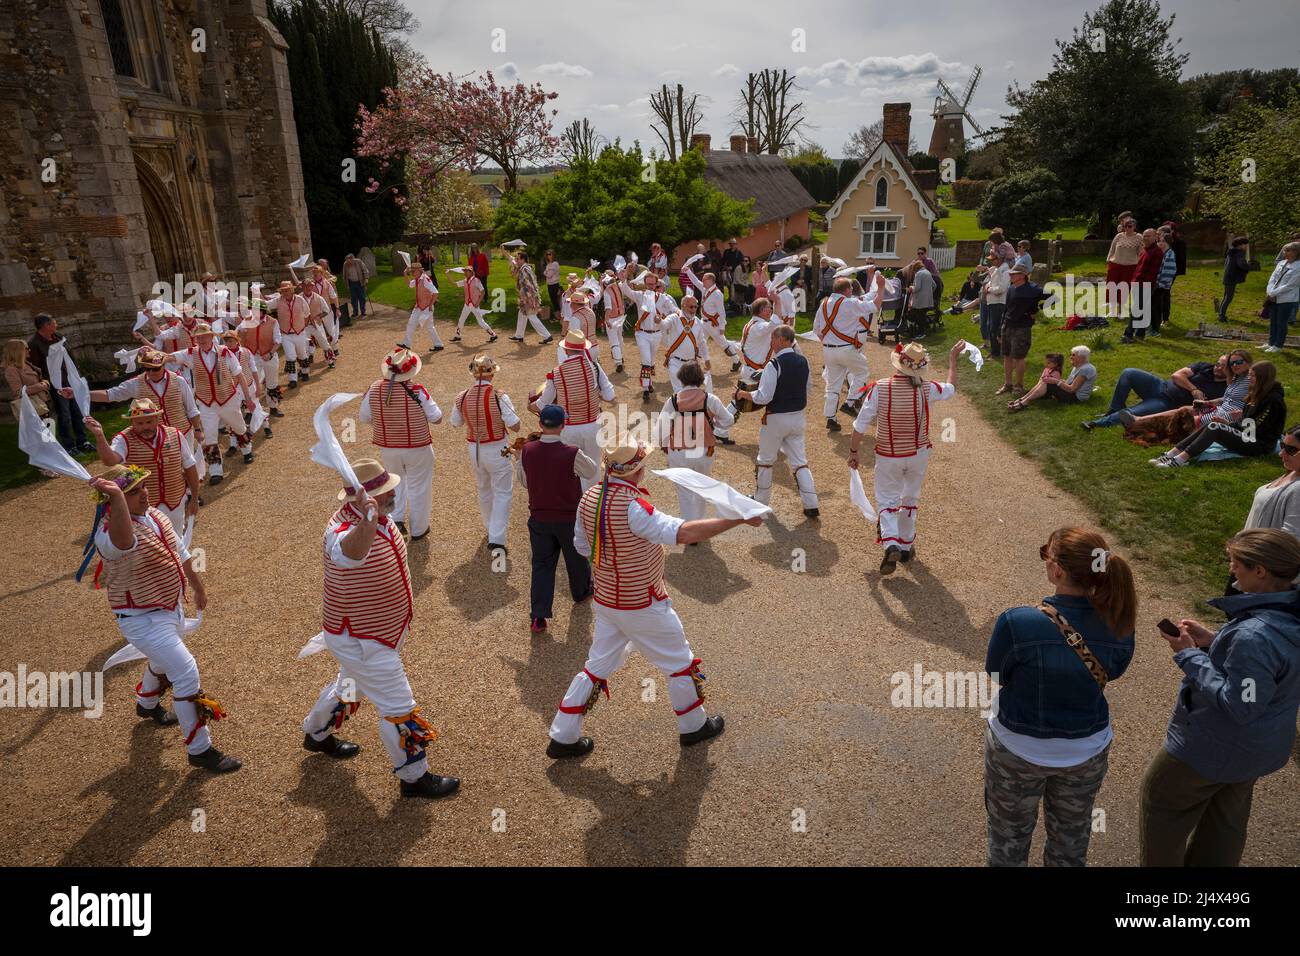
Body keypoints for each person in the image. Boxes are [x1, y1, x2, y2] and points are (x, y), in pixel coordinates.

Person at [546, 441, 761, 759]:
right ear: (636, 471)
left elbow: (581, 545)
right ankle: (693, 726)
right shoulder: (635, 507)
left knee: (596, 666)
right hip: (642, 602)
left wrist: (613, 559)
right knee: (679, 662)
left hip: (606, 600)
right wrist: (738, 519)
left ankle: (562, 736)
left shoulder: (589, 497)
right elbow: (683, 533)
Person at [300, 458, 460, 799]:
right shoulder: (342, 531)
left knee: (350, 686)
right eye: (385, 492)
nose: (393, 495)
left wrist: (374, 516)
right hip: (362, 638)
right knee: (397, 705)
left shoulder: (380, 519)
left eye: (390, 489)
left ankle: (315, 733)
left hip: (374, 633)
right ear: (361, 500)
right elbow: (350, 554)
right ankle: (414, 777)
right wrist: (370, 520)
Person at [1140, 528, 1300, 866]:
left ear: (1260, 571)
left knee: (1162, 807)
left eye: (1236, 563)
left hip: (1214, 748)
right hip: (1259, 750)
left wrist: (1189, 655)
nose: (1231, 569)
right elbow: (1270, 671)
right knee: (1225, 824)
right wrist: (1214, 642)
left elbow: (1240, 704)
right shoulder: (1287, 617)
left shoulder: (1253, 635)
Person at [984, 527, 1137, 866]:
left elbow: (996, 673)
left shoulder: (1017, 621)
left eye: (1046, 554)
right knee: (1071, 838)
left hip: (1018, 745)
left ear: (1057, 570)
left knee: (1007, 839)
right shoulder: (1119, 621)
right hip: (1086, 749)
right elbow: (1114, 671)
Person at [87, 465, 239, 773]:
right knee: (185, 671)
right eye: (133, 492)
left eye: (143, 487)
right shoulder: (108, 534)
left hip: (169, 608)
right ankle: (200, 749)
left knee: (162, 661)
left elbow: (180, 551)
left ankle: (145, 705)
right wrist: (116, 497)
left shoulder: (155, 515)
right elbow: (125, 542)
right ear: (112, 502)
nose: (144, 494)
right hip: (140, 619)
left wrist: (196, 586)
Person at [849, 339, 965, 573]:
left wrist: (853, 451)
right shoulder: (928, 388)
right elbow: (951, 387)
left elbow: (860, 424)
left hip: (889, 454)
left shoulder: (880, 388)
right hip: (918, 453)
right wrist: (953, 359)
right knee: (910, 497)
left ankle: (891, 541)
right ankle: (906, 544)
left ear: (897, 364)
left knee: (887, 498)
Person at [516, 404, 597, 634]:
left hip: (539, 517)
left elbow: (524, 481)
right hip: (568, 517)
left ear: (541, 424)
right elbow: (591, 471)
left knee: (541, 565)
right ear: (563, 426)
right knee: (576, 558)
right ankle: (581, 592)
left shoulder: (528, 451)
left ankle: (539, 615)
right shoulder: (571, 452)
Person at [736, 325, 821, 518]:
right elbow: (808, 389)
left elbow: (764, 397)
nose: (771, 344)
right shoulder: (804, 361)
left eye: (773, 340)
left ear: (782, 340)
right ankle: (811, 503)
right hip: (798, 417)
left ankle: (760, 501)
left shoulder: (773, 365)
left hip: (776, 418)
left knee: (765, 460)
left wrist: (744, 394)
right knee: (800, 462)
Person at [361, 347, 442, 540]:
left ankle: (396, 520)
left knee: (395, 482)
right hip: (418, 446)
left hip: (388, 447)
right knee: (419, 486)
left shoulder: (374, 389)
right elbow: (437, 417)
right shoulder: (418, 390)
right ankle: (419, 529)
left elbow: (364, 417)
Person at [86, 398, 199, 533]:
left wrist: (195, 498)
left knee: (176, 540)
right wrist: (99, 436)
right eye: (139, 423)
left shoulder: (175, 435)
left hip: (175, 500)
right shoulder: (123, 439)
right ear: (131, 422)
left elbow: (190, 467)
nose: (145, 427)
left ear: (157, 418)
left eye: (149, 421)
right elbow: (110, 460)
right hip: (141, 506)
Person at [163, 323, 258, 485]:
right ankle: (215, 471)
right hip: (206, 402)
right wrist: (154, 355)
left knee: (239, 426)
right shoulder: (190, 353)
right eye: (198, 337)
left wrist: (248, 398)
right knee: (211, 435)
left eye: (203, 336)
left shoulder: (225, 352)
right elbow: (170, 357)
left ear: (211, 336)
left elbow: (239, 375)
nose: (200, 339)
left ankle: (247, 451)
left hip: (228, 398)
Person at [1150, 361, 1285, 467]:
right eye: (1250, 375)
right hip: (1248, 436)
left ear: (1263, 378)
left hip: (1259, 444)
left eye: (1253, 376)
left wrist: (1230, 424)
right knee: (1213, 424)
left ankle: (1180, 460)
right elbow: (1250, 420)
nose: (1249, 378)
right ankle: (1172, 453)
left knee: (1215, 427)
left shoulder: (1272, 401)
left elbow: (1254, 428)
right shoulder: (1258, 393)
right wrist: (1234, 421)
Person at [450, 354, 521, 555]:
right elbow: (515, 426)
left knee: (483, 488)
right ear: (492, 373)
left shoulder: (462, 396)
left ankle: (491, 528)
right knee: (503, 492)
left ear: (473, 373)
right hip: (497, 446)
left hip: (474, 447)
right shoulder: (499, 396)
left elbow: (455, 423)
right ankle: (497, 538)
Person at [533, 330, 614, 489]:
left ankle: (575, 505)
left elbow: (544, 403)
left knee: (570, 469)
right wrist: (596, 393)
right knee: (593, 467)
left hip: (568, 427)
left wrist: (532, 406)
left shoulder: (556, 372)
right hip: (593, 425)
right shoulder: (595, 367)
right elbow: (610, 395)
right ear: (584, 348)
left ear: (566, 350)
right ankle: (592, 504)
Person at [1120, 349, 1253, 445]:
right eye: (1233, 363)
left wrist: (1242, 415)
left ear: (1248, 362)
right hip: (1163, 388)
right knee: (1184, 410)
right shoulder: (1234, 378)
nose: (1235, 365)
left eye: (1239, 362)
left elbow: (1258, 400)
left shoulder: (1250, 379)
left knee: (1182, 419)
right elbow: (1176, 376)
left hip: (1223, 416)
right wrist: (1207, 402)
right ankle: (1138, 419)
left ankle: (1136, 423)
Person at [656, 360, 735, 522]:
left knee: (684, 491)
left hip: (678, 451)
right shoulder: (710, 399)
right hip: (704, 450)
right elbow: (728, 420)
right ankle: (698, 523)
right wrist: (715, 424)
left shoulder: (672, 401)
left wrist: (664, 445)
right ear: (700, 379)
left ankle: (689, 525)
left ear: (681, 379)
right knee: (701, 487)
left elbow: (661, 428)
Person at [1083, 355, 1228, 430]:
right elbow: (1177, 376)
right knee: (1129, 373)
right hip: (1159, 385)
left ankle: (1096, 424)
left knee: (1132, 412)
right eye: (1218, 363)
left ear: (1231, 371)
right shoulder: (1205, 367)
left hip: (1166, 403)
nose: (1218, 368)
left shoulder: (1225, 388)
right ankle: (1114, 408)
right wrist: (1194, 389)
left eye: (1223, 367)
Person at [814, 275, 882, 431]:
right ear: (846, 290)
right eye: (851, 288)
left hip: (828, 350)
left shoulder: (823, 304)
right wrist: (882, 287)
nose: (852, 290)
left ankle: (830, 418)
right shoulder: (849, 302)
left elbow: (817, 330)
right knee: (862, 373)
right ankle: (849, 403)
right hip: (846, 349)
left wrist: (830, 341)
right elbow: (875, 305)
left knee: (832, 386)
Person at [716, 296, 781, 445]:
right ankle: (718, 428)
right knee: (744, 402)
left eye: (771, 307)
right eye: (769, 308)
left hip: (751, 370)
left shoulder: (751, 323)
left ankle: (719, 429)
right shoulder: (759, 327)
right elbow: (775, 323)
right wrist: (778, 301)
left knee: (738, 402)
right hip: (754, 372)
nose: (771, 310)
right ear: (762, 310)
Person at [28, 314, 93, 453]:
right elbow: (36, 366)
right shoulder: (34, 344)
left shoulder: (57, 336)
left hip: (70, 380)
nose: (56, 324)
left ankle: (83, 441)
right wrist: (45, 383)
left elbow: (69, 355)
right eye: (54, 322)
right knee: (64, 415)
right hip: (56, 385)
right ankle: (69, 446)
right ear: (46, 325)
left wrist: (76, 375)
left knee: (78, 412)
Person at [619, 269, 677, 401]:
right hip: (642, 334)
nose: (650, 286)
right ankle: (645, 389)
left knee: (651, 361)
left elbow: (673, 309)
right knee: (646, 360)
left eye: (652, 284)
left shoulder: (663, 298)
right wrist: (623, 280)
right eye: (648, 284)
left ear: (656, 284)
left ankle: (649, 382)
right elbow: (627, 291)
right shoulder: (640, 296)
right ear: (645, 284)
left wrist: (680, 312)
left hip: (657, 334)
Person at [996, 264, 1052, 396]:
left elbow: (1054, 298)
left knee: (1019, 357)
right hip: (1007, 326)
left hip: (1022, 327)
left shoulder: (1034, 289)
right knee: (1007, 356)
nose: (1010, 276)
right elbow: (1006, 309)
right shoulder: (1011, 289)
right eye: (1010, 274)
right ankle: (1007, 384)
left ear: (1022, 275)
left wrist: (1037, 309)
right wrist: (1000, 328)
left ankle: (1019, 386)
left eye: (1013, 274)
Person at [1241, 424, 1300, 545]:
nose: (1281, 453)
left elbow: (1290, 539)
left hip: (1260, 560)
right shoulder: (1291, 473)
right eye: (1282, 446)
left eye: (1291, 450)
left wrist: (1248, 553)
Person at [681, 260, 741, 370]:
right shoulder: (705, 290)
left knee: (723, 344)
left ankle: (736, 360)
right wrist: (688, 271)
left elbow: (722, 311)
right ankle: (696, 363)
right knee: (699, 342)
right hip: (704, 323)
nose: (702, 281)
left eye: (704, 279)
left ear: (711, 281)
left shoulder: (717, 294)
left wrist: (722, 326)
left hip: (714, 324)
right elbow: (695, 281)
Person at [236, 297, 284, 421]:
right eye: (253, 309)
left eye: (257, 310)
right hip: (252, 357)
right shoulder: (247, 321)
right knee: (251, 383)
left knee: (272, 382)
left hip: (270, 356)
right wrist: (241, 335)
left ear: (263, 311)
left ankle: (273, 407)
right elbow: (237, 334)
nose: (254, 312)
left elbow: (278, 340)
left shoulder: (273, 322)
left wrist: (271, 353)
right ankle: (249, 411)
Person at [1007, 345, 1096, 412]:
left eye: (1073, 355)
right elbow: (1070, 384)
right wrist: (1060, 381)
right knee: (1046, 381)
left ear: (1081, 357)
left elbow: (1072, 389)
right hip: (1071, 394)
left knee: (1048, 382)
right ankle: (1023, 400)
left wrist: (1056, 381)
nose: (1071, 357)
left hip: (1075, 398)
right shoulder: (1079, 366)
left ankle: (1024, 402)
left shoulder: (1085, 369)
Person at [1120, 228, 1163, 344]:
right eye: (1144, 236)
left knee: (1136, 310)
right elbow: (1139, 268)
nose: (1146, 238)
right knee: (1141, 310)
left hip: (1145, 285)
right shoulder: (1145, 250)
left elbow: (1152, 272)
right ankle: (1140, 334)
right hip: (1137, 283)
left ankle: (1128, 334)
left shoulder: (1157, 252)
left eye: (1149, 236)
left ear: (1155, 237)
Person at [270, 279, 310, 388]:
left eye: (287, 290)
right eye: (283, 290)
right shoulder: (278, 301)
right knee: (290, 356)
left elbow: (307, 313)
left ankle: (305, 372)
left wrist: (302, 326)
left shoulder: (300, 300)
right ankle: (293, 379)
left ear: (292, 290)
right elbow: (265, 305)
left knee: (302, 354)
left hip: (299, 332)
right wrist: (253, 295)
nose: (285, 292)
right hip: (286, 334)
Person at [1262, 242, 1300, 353]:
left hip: (1286, 298)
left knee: (1281, 322)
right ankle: (1271, 343)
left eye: (1288, 251)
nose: (1285, 253)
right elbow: (1272, 278)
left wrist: (1273, 293)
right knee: (1273, 321)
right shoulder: (1281, 263)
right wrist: (1269, 292)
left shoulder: (1298, 266)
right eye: (1284, 250)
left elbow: (1290, 285)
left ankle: (1278, 345)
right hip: (1273, 296)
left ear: (1296, 252)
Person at [508, 250, 551, 344]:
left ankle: (547, 336)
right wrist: (504, 251)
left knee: (531, 316)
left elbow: (530, 285)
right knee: (522, 314)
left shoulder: (526, 269)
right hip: (526, 297)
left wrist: (528, 298)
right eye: (516, 258)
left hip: (529, 298)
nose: (516, 260)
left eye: (518, 259)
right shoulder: (523, 268)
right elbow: (513, 262)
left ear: (523, 259)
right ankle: (519, 335)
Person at [402, 260, 443, 353]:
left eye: (414, 271)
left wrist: (430, 305)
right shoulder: (417, 279)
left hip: (426, 308)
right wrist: (405, 274)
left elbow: (436, 292)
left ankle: (438, 344)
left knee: (428, 326)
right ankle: (407, 343)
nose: (412, 273)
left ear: (420, 271)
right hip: (419, 306)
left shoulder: (425, 279)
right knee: (412, 323)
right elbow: (409, 285)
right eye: (411, 271)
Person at [1105, 216, 1143, 317]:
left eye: (1129, 226)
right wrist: (1108, 260)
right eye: (1125, 226)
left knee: (1124, 289)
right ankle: (1112, 311)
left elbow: (1141, 253)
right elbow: (1112, 249)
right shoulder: (1119, 236)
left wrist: (1140, 265)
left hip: (1130, 267)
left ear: (1134, 226)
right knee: (1112, 287)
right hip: (1115, 265)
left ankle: (1121, 311)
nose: (1127, 228)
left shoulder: (1139, 237)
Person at [448, 266, 496, 344]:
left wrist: (478, 302)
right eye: (465, 271)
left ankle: (493, 334)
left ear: (471, 272)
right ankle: (458, 335)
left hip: (474, 304)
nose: (466, 273)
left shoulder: (476, 280)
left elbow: (483, 292)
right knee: (461, 319)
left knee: (480, 321)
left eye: (467, 271)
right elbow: (454, 284)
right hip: (467, 304)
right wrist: (448, 274)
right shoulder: (464, 281)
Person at [2, 338, 50, 415]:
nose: (29, 350)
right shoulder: (11, 370)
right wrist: (40, 386)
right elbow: (19, 392)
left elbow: (38, 379)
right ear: (17, 351)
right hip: (32, 407)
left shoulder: (27, 364)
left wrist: (45, 383)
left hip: (42, 404)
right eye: (26, 348)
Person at [598, 269, 626, 373]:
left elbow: (608, 308)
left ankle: (618, 362)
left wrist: (606, 320)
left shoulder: (607, 292)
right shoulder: (618, 286)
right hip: (621, 316)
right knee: (620, 337)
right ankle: (621, 357)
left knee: (613, 340)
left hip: (612, 318)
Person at [1217, 236, 1251, 322]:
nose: (1246, 247)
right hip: (1231, 277)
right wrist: (1249, 266)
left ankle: (1221, 313)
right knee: (1229, 297)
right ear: (1240, 245)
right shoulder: (1239, 253)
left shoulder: (1231, 252)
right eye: (1245, 245)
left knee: (1226, 296)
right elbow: (1241, 264)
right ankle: (1221, 316)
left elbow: (1226, 264)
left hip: (1228, 276)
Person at [1151, 230, 1177, 337]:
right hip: (1157, 284)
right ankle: (1153, 326)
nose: (1160, 243)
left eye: (1162, 241)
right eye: (1159, 241)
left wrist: (1159, 283)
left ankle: (1155, 328)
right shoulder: (1162, 253)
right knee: (1154, 305)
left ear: (1168, 243)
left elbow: (1169, 271)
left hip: (1161, 285)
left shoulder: (1170, 254)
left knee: (1156, 306)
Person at [342, 253, 370, 318]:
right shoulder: (345, 264)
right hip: (351, 283)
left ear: (353, 259)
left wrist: (366, 278)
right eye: (347, 261)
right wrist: (346, 283)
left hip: (360, 282)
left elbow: (365, 270)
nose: (348, 263)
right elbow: (344, 274)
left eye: (349, 261)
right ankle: (355, 312)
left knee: (362, 297)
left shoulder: (359, 262)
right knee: (353, 298)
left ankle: (363, 312)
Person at [544, 249, 562, 315]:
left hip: (554, 284)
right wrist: (546, 272)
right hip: (549, 284)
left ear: (553, 255)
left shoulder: (555, 264)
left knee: (555, 300)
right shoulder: (549, 264)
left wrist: (546, 272)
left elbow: (548, 275)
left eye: (550, 254)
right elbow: (545, 272)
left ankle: (558, 315)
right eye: (547, 254)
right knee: (553, 300)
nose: (548, 256)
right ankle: (557, 314)